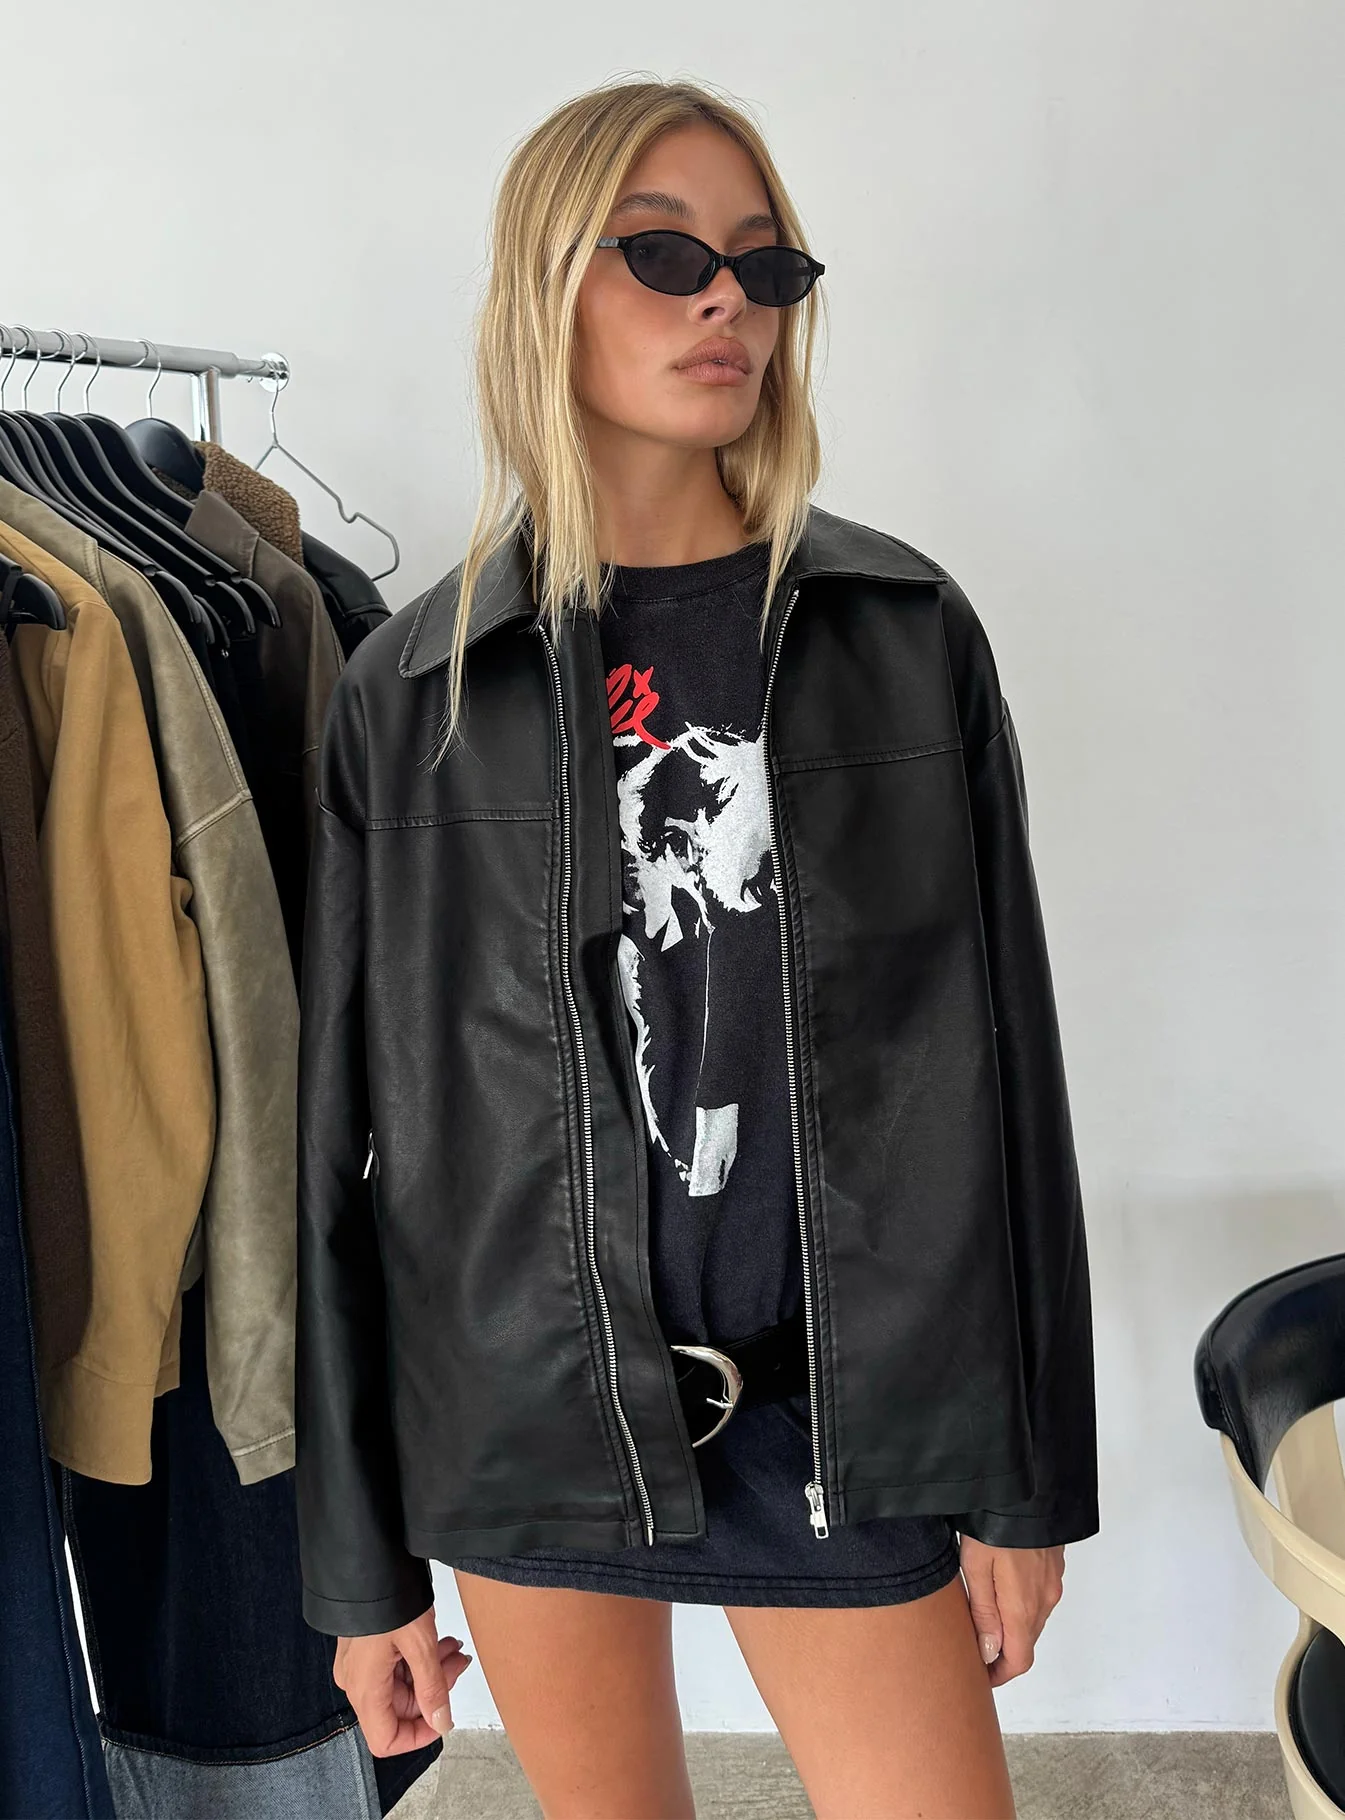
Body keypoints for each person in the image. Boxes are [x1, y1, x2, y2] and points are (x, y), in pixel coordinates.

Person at [295, 74, 1098, 1820]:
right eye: (662, 254)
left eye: (764, 264)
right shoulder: (413, 695)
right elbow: (343, 1157)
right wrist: (357, 1570)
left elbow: (1007, 1085)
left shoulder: (903, 637)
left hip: (840, 1422)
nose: (725, 298)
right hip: (533, 1422)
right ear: (544, 288)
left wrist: (1025, 1479)